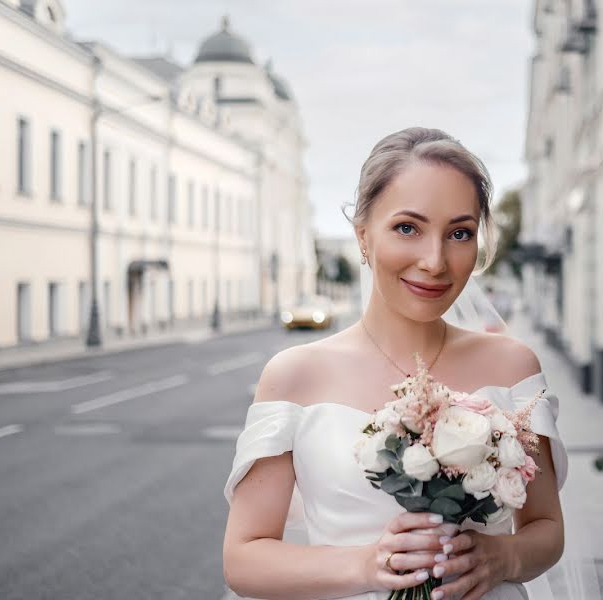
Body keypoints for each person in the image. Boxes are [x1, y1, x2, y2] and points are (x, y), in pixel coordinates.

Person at [222, 127, 569, 600]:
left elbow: (547, 528)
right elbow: (243, 559)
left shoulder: (512, 366)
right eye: (408, 227)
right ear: (363, 236)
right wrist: (366, 565)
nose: (435, 261)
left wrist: (501, 557)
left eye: (460, 233)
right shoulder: (294, 375)